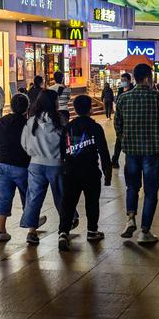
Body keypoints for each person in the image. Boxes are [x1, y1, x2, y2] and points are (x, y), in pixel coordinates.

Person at [114, 63, 159, 244]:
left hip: (131, 152)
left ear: (134, 77)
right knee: (150, 192)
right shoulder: (158, 97)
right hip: (151, 152)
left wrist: (125, 139)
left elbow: (118, 125)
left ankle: (130, 218)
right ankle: (144, 231)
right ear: (148, 78)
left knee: (132, 187)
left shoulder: (123, 99)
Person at [58, 95, 112, 251]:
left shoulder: (68, 127)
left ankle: (63, 232)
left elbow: (62, 150)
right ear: (90, 109)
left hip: (70, 172)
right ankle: (92, 230)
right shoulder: (95, 128)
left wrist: (64, 168)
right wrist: (107, 173)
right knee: (92, 202)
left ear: (74, 109)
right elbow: (103, 151)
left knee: (68, 203)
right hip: (90, 171)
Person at [0, 94, 47, 241]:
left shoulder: (2, 121)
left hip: (2, 165)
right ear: (27, 108)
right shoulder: (29, 125)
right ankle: (32, 231)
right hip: (22, 166)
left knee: (4, 196)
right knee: (30, 196)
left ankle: (1, 231)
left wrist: (3, 153)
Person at [20, 90, 72, 246]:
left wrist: (34, 153)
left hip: (35, 164)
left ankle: (32, 231)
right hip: (56, 164)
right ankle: (68, 223)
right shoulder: (61, 121)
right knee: (61, 196)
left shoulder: (31, 122)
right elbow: (67, 144)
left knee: (34, 198)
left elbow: (24, 143)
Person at [111, 73, 134, 168]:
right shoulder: (120, 90)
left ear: (129, 80)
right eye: (122, 80)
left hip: (130, 118)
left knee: (130, 140)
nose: (123, 82)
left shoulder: (133, 89)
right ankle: (115, 160)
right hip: (121, 118)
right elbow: (117, 101)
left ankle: (130, 161)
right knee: (119, 141)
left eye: (124, 80)